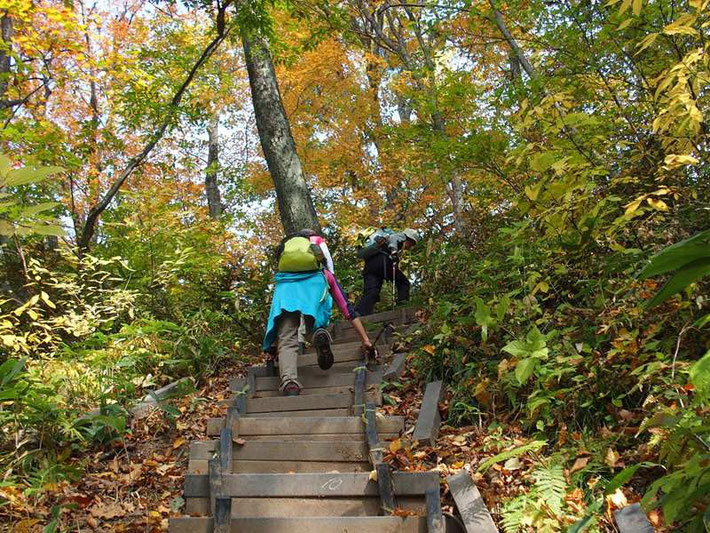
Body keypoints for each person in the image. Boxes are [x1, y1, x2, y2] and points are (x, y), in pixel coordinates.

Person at [263, 229, 376, 396]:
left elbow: (275, 315)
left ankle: (290, 382)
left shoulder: (283, 276)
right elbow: (347, 309)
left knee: (287, 336)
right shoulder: (325, 275)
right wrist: (365, 340)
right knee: (312, 323)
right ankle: (317, 334)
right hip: (316, 284)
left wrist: (272, 347)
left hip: (286, 289)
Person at [355, 228, 420, 317]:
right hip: (383, 263)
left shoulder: (381, 240)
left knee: (371, 291)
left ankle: (360, 314)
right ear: (410, 239)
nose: (411, 247)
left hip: (370, 266)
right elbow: (393, 238)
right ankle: (402, 307)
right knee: (403, 283)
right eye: (412, 244)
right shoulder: (401, 237)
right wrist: (394, 252)